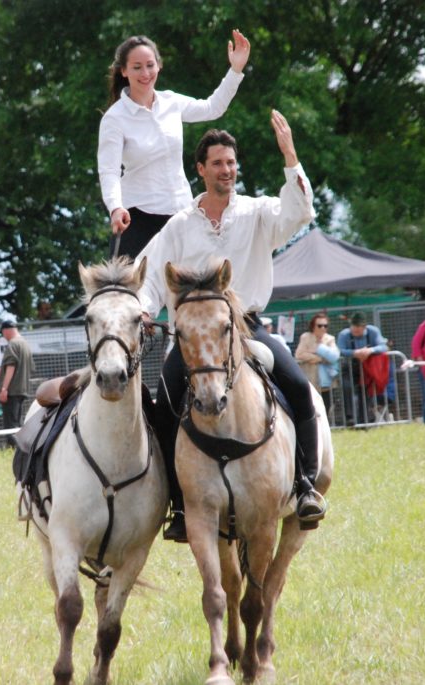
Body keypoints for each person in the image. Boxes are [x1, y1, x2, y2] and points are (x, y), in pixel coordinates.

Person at [136, 110, 322, 541]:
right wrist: (145, 309)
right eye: (218, 163)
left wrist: (290, 156)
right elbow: (150, 276)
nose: (227, 170)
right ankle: (180, 506)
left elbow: (300, 212)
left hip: (247, 330)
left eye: (232, 162)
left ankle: (304, 485)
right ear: (200, 169)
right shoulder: (180, 225)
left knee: (297, 386)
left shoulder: (258, 212)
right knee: (164, 401)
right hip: (193, 340)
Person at [98, 30, 250, 259]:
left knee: (203, 277)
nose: (145, 73)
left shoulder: (171, 102)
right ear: (124, 71)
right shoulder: (114, 118)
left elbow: (213, 108)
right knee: (127, 282)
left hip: (181, 215)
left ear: (159, 66)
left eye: (150, 65)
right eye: (137, 67)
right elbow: (108, 171)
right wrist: (115, 207)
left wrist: (235, 70)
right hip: (137, 218)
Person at [337, 312, 389, 426]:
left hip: (366, 367)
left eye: (358, 327)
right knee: (347, 387)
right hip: (349, 366)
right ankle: (350, 418)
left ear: (365, 326)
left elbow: (383, 346)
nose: (355, 329)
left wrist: (370, 351)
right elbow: (339, 350)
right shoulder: (344, 334)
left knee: (365, 391)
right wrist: (355, 353)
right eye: (353, 326)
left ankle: (364, 420)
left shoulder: (373, 331)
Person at [295, 313, 340, 419]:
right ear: (313, 326)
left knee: (325, 406)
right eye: (320, 325)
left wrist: (317, 349)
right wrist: (319, 358)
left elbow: (334, 356)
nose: (323, 328)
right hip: (309, 379)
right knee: (311, 407)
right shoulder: (305, 337)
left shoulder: (330, 339)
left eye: (325, 325)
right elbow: (299, 354)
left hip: (325, 381)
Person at [0, 320, 34, 430]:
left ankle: (13, 442)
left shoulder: (13, 344)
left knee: (11, 426)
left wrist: (4, 389)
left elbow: (11, 366)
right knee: (18, 423)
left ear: (6, 331)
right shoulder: (25, 344)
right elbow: (31, 367)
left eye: (2, 333)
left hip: (12, 391)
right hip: (22, 390)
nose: (3, 336)